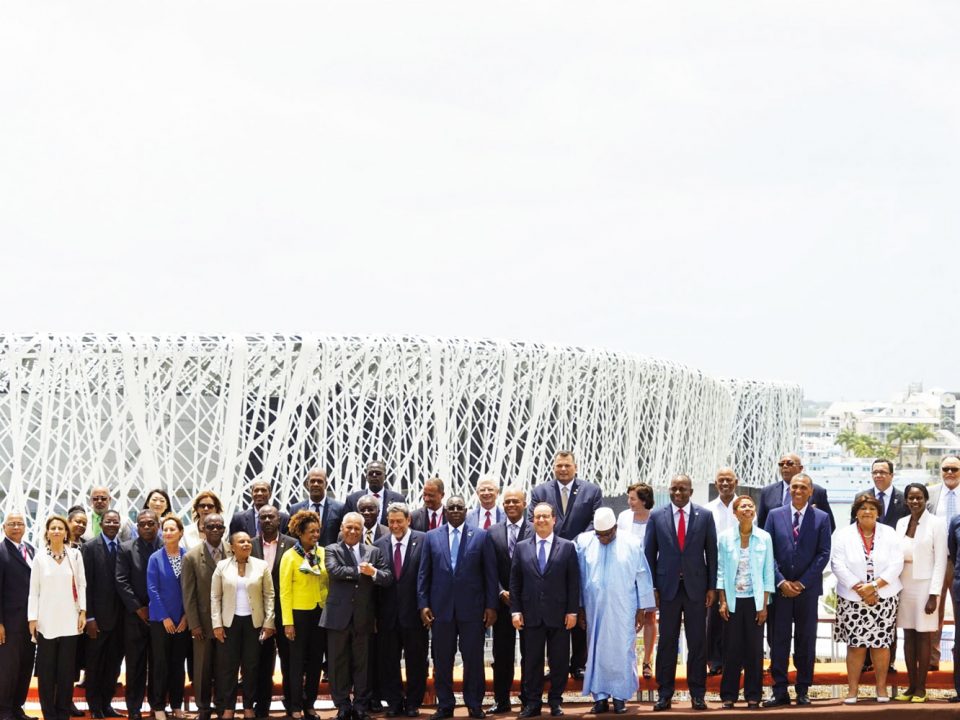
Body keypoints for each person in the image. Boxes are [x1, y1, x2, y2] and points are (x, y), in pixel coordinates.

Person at [418, 495, 498, 720]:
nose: (454, 510)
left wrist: (492, 605)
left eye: (459, 508)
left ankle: (474, 704)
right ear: (445, 510)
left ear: (466, 511)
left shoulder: (481, 536)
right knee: (442, 659)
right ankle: (445, 705)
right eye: (450, 507)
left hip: (472, 609)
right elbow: (424, 574)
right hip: (440, 609)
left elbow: (490, 574)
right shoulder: (431, 537)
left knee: (473, 659)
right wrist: (423, 604)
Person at [644, 474, 717, 712]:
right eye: (674, 489)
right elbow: (649, 554)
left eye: (683, 489)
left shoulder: (705, 516)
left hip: (697, 588)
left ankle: (698, 694)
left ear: (691, 492)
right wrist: (652, 588)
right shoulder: (656, 516)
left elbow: (712, 554)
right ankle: (664, 693)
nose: (678, 493)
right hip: (667, 589)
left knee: (698, 643)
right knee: (667, 642)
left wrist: (711, 587)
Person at [528, 451, 603, 681]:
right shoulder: (540, 491)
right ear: (553, 467)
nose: (563, 469)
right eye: (559, 465)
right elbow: (534, 518)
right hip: (550, 561)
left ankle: (579, 663)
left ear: (575, 467)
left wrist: (579, 541)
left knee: (578, 606)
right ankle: (555, 664)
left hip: (581, 556)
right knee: (553, 611)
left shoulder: (592, 490)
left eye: (567, 465)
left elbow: (596, 519)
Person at [762, 473, 831, 707]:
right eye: (794, 487)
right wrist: (781, 581)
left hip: (807, 591)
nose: (798, 491)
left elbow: (823, 554)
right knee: (778, 640)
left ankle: (803, 689)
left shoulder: (821, 518)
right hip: (780, 590)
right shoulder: (774, 515)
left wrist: (802, 583)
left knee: (806, 640)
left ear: (811, 491)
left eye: (803, 487)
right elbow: (766, 552)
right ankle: (779, 689)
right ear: (789, 490)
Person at [577, 507, 653, 714]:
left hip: (623, 607)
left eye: (607, 534)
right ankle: (599, 697)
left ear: (615, 528)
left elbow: (642, 576)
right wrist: (580, 608)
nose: (603, 539)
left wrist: (641, 608)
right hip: (594, 608)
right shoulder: (583, 542)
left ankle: (620, 697)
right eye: (599, 535)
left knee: (622, 649)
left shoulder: (632, 543)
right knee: (596, 650)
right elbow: (579, 577)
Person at [831, 493, 904, 704]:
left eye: (872, 508)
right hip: (853, 597)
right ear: (856, 512)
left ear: (878, 513)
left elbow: (896, 563)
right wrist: (861, 589)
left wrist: (874, 587)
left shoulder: (889, 533)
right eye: (863, 508)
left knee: (881, 645)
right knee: (856, 645)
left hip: (884, 596)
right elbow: (837, 564)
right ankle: (852, 691)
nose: (867, 512)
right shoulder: (843, 534)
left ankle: (881, 690)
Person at [511, 502, 579, 717]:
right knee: (532, 661)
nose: (541, 520)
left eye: (545, 516)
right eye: (537, 517)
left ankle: (556, 701)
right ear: (532, 520)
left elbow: (573, 582)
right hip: (530, 615)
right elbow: (515, 582)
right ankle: (532, 703)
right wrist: (515, 610)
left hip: (559, 615)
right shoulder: (522, 547)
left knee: (559, 661)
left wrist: (572, 611)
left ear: (554, 519)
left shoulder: (567, 547)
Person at [322, 512, 392, 720]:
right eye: (349, 527)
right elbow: (335, 571)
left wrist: (375, 573)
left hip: (364, 617)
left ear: (363, 531)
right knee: (337, 664)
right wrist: (362, 571)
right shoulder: (331, 549)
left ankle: (361, 705)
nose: (353, 531)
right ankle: (342, 705)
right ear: (342, 529)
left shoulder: (374, 551)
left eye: (357, 528)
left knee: (363, 664)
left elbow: (387, 577)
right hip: (337, 616)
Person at [715, 496, 773, 710]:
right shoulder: (725, 538)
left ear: (755, 510)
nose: (746, 509)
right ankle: (728, 696)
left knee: (754, 651)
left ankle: (753, 696)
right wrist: (722, 600)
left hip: (755, 600)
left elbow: (768, 573)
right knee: (731, 649)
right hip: (732, 600)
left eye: (750, 506)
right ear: (735, 512)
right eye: (742, 506)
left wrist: (764, 605)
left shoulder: (764, 537)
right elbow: (720, 571)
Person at [211, 531, 276, 720]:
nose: (246, 544)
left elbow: (269, 595)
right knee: (228, 667)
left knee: (251, 666)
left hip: (253, 623)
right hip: (229, 623)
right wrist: (217, 624)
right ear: (232, 547)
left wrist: (269, 622)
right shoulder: (222, 566)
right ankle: (229, 707)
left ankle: (249, 706)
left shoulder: (261, 566)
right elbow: (215, 597)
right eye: (241, 542)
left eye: (248, 541)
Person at [28, 515, 87, 720]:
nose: (56, 531)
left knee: (66, 670)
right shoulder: (39, 557)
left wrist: (83, 612)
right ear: (47, 532)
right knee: (46, 672)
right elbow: (33, 591)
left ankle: (63, 712)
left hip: (70, 620)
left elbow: (81, 585)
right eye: (52, 527)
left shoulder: (75, 556)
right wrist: (32, 618)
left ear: (65, 532)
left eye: (59, 528)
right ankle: (49, 713)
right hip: (46, 621)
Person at [374, 503, 429, 718]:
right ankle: (394, 702)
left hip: (415, 614)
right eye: (391, 521)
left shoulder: (424, 541)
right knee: (389, 662)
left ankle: (414, 702)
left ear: (408, 520)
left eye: (399, 521)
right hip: (387, 615)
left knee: (416, 661)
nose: (395, 525)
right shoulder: (379, 545)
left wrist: (425, 607)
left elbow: (427, 576)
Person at [894, 483, 947, 703]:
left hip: (925, 586)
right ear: (906, 500)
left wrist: (934, 594)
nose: (915, 502)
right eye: (911, 498)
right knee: (908, 636)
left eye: (919, 498)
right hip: (904, 585)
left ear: (926, 500)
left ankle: (922, 688)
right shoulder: (901, 523)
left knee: (924, 636)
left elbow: (940, 561)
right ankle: (910, 686)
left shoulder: (937, 523)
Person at [484, 487, 530, 716]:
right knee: (502, 655)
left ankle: (529, 699)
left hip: (529, 603)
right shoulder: (492, 532)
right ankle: (502, 700)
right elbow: (488, 570)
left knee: (530, 654)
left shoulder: (535, 530)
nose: (511, 505)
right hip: (502, 604)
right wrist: (500, 592)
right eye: (507, 501)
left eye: (516, 501)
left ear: (525, 503)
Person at [279, 510, 329, 720]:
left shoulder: (323, 553)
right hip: (298, 614)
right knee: (297, 662)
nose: (315, 535)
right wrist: (288, 622)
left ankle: (310, 704)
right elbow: (285, 592)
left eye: (317, 531)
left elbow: (327, 581)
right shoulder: (289, 557)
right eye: (311, 532)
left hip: (320, 612)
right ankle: (295, 705)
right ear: (300, 533)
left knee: (316, 661)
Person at [250, 506, 297, 720]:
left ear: (279, 520)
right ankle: (262, 707)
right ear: (258, 520)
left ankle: (292, 703)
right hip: (259, 612)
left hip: (287, 610)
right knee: (262, 661)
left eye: (271, 516)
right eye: (263, 517)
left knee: (290, 661)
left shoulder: (292, 544)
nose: (267, 520)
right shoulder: (249, 545)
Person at [181, 514, 229, 720]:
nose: (215, 530)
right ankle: (203, 707)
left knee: (224, 667)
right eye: (210, 527)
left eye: (219, 526)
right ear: (203, 529)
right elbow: (188, 594)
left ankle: (222, 705)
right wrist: (194, 624)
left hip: (228, 621)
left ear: (224, 529)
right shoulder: (191, 557)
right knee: (202, 668)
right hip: (203, 622)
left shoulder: (233, 551)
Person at [115, 510, 162, 720]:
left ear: (158, 525)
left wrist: (158, 607)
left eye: (151, 523)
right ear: (137, 526)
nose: (146, 527)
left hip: (161, 615)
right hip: (134, 617)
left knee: (158, 663)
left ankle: (156, 705)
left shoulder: (166, 547)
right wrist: (138, 608)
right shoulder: (126, 549)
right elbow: (121, 580)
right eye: (142, 524)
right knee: (134, 664)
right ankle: (134, 708)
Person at [82, 509, 126, 719]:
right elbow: (85, 586)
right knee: (95, 665)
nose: (111, 524)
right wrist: (89, 617)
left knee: (113, 665)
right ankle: (95, 707)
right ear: (101, 523)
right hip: (97, 620)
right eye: (107, 521)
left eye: (115, 522)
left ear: (119, 524)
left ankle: (107, 703)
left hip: (121, 619)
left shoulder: (125, 548)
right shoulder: (89, 548)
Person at [147, 516, 190, 720]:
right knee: (160, 664)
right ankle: (158, 706)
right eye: (166, 529)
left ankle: (176, 704)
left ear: (181, 532)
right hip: (160, 620)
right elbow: (152, 590)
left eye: (173, 529)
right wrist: (165, 617)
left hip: (183, 620)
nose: (169, 532)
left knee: (177, 664)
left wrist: (186, 617)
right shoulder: (155, 558)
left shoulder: (187, 556)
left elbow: (191, 590)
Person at [615, 482, 656, 679]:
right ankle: (628, 661)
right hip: (627, 575)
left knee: (649, 617)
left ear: (644, 500)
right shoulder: (623, 517)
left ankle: (647, 661)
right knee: (628, 618)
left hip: (650, 575)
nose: (629, 502)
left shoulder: (656, 517)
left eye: (633, 498)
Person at [0, 511, 36, 720]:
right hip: (9, 623)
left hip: (29, 622)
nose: (16, 527)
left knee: (25, 666)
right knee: (7, 669)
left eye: (20, 523)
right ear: (4, 527)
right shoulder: (1, 551)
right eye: (11, 523)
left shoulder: (30, 550)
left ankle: (17, 707)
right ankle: (4, 710)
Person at [704, 468, 739, 677]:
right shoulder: (707, 510)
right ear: (715, 484)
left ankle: (735, 660)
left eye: (729, 480)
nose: (725, 483)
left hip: (741, 570)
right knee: (714, 619)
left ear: (736, 481)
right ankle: (714, 660)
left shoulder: (745, 507)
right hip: (714, 569)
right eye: (721, 480)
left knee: (737, 618)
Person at [928, 455, 960, 670]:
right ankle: (932, 661)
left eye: (954, 469)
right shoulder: (929, 493)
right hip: (936, 561)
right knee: (933, 613)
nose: (949, 472)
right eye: (945, 468)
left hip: (958, 563)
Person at [757, 453, 835, 531]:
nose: (784, 466)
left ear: (800, 468)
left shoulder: (817, 491)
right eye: (781, 464)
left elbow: (829, 525)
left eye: (789, 463)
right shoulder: (767, 492)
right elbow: (761, 526)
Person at [288, 468, 345, 547]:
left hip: (330, 557)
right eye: (312, 481)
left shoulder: (339, 508)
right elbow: (292, 537)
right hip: (303, 556)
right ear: (307, 484)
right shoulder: (295, 509)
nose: (316, 484)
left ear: (326, 484)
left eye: (320, 481)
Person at [345, 461, 405, 525]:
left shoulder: (398, 499)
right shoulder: (352, 499)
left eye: (378, 473)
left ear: (385, 477)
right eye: (371, 473)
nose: (374, 475)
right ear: (366, 477)